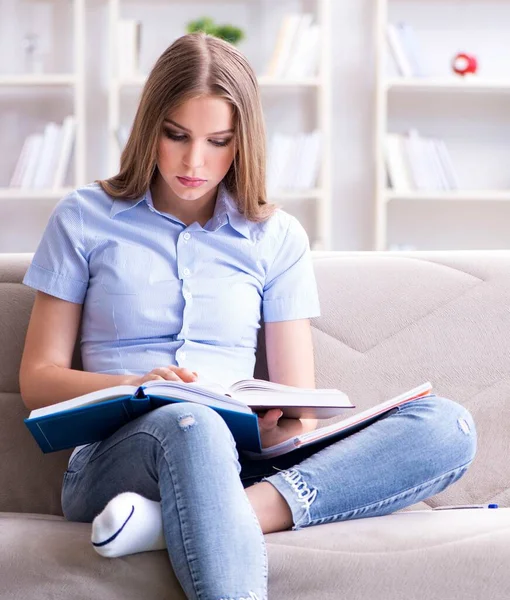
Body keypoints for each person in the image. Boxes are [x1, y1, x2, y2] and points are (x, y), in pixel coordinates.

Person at [19, 33, 477, 600]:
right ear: (148, 129)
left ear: (244, 143)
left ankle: (177, 522)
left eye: (218, 142)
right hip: (117, 459)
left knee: (446, 427)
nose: (194, 161)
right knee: (191, 421)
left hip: (240, 459)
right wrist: (137, 386)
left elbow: (299, 406)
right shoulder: (84, 218)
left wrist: (279, 421)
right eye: (176, 135)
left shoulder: (275, 237)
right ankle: (208, 513)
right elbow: (38, 380)